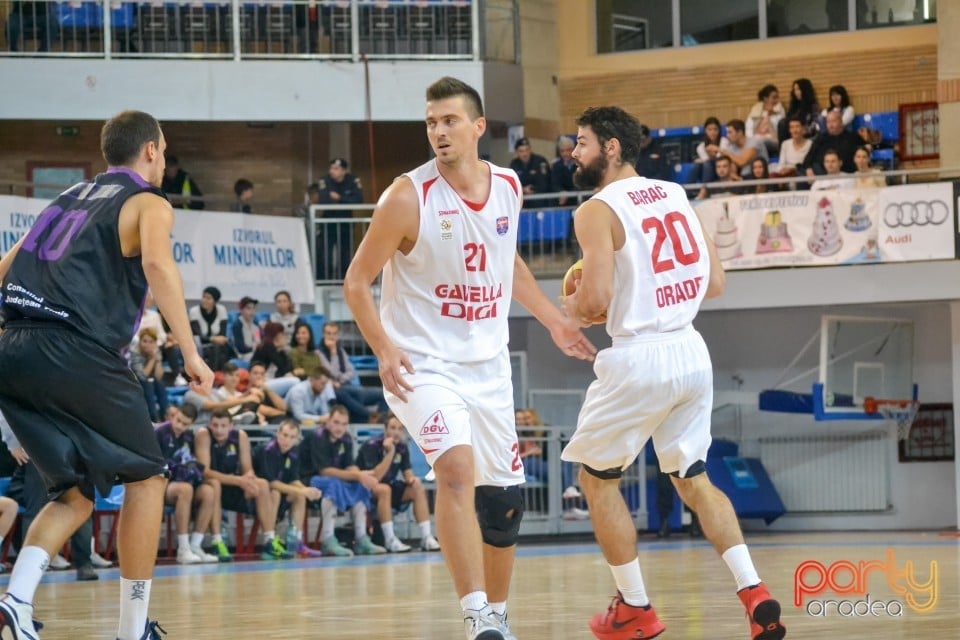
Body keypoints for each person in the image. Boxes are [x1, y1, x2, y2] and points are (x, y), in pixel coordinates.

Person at [343, 76, 596, 640]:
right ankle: (476, 613)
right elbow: (356, 282)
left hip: (488, 368)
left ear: (479, 126)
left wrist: (555, 320)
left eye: (450, 120)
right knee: (456, 470)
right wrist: (383, 350)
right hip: (422, 366)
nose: (439, 131)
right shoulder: (406, 197)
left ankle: (498, 620)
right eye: (431, 122)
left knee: (505, 505)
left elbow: (507, 263)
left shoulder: (507, 185)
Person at [559, 105, 785, 640]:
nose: (574, 151)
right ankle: (754, 593)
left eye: (582, 142)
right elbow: (716, 283)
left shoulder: (595, 210)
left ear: (611, 147)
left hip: (640, 354)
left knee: (595, 482)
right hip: (690, 351)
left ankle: (634, 607)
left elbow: (593, 300)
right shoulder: (675, 193)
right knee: (694, 479)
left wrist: (570, 307)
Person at [0, 109, 214, 640]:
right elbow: (160, 268)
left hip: (13, 350)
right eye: (163, 151)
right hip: (75, 349)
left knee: (74, 492)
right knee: (148, 478)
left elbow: (3, 271)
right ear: (149, 151)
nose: (163, 160)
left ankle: (16, 602)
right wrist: (190, 352)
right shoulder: (148, 202)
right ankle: (132, 629)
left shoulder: (63, 201)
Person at [194, 410, 294, 561]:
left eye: (223, 426)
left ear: (231, 426)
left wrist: (249, 480)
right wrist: (239, 481)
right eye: (215, 425)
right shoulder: (204, 435)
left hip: (233, 486)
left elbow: (247, 468)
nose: (219, 430)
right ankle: (217, 541)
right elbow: (206, 472)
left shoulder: (240, 436)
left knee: (262, 484)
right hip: (211, 486)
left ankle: (269, 539)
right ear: (210, 425)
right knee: (214, 484)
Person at [299, 405, 386, 557]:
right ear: (327, 422)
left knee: (360, 485)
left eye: (344, 424)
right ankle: (328, 540)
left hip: (334, 479)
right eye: (336, 422)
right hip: (307, 479)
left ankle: (361, 539)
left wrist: (363, 476)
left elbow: (349, 466)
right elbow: (324, 471)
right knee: (333, 483)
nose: (340, 428)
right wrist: (358, 475)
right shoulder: (318, 437)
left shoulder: (346, 439)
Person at [355, 412, 440, 553]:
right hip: (365, 489)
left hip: (388, 486)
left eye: (400, 429)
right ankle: (390, 540)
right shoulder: (371, 445)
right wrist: (390, 452)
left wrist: (412, 479)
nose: (396, 432)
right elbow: (375, 478)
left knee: (417, 486)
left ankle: (426, 537)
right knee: (384, 489)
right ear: (385, 430)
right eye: (393, 428)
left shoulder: (402, 447)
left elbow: (407, 473)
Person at [252, 419, 323, 558]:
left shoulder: (294, 452)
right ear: (278, 434)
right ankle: (269, 542)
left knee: (300, 496)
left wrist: (308, 490)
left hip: (280, 492)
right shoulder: (267, 450)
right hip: (258, 496)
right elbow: (272, 482)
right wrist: (301, 490)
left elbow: (294, 479)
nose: (287, 440)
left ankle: (296, 541)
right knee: (276, 493)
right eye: (284, 435)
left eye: (292, 437)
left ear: (297, 439)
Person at [317, 158, 364, 280]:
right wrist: (346, 200)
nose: (332, 171)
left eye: (336, 169)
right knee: (325, 254)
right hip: (328, 224)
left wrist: (340, 199)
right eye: (331, 168)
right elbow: (323, 201)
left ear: (344, 171)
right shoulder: (324, 181)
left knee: (345, 254)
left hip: (345, 224)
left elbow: (358, 200)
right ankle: (325, 280)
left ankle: (344, 280)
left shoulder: (352, 181)